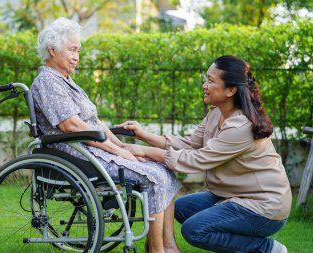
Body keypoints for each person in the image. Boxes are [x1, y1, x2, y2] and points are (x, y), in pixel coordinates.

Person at [30, 17, 182, 253]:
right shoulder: (48, 82)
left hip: (94, 150)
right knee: (156, 177)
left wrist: (123, 145)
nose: (76, 57)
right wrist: (119, 151)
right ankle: (157, 250)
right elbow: (72, 127)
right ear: (52, 50)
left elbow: (94, 121)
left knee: (165, 171)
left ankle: (169, 246)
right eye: (72, 50)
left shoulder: (67, 81)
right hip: (78, 155)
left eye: (78, 51)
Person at [119, 55, 292, 253]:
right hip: (233, 196)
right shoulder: (216, 112)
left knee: (195, 230)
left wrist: (145, 151)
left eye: (210, 81)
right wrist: (143, 135)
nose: (204, 85)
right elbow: (189, 144)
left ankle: (267, 248)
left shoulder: (241, 126)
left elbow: (196, 160)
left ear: (230, 90)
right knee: (183, 207)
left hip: (265, 207)